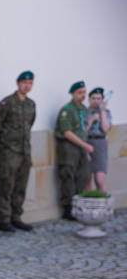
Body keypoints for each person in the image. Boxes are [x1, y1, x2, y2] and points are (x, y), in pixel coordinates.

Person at [0, 71, 36, 232]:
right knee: (7, 185)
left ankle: (16, 216)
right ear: (18, 84)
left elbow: (29, 125)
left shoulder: (31, 104)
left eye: (30, 83)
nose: (27, 85)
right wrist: (2, 147)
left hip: (25, 151)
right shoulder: (7, 103)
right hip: (9, 151)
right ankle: (4, 219)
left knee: (21, 186)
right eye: (24, 82)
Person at [55, 81, 92, 220]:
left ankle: (78, 204)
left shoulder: (83, 109)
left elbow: (83, 130)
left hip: (81, 146)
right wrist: (85, 146)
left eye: (84, 92)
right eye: (80, 92)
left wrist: (86, 149)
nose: (83, 95)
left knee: (82, 175)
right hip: (69, 146)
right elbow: (67, 132)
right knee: (68, 175)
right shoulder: (68, 109)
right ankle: (68, 208)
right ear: (73, 94)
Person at [85, 87, 111, 193]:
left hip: (100, 143)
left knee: (99, 179)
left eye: (99, 98)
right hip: (87, 142)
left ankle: (103, 205)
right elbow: (82, 131)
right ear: (89, 99)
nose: (96, 101)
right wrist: (91, 120)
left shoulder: (106, 112)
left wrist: (102, 111)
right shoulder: (85, 112)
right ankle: (89, 205)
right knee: (87, 179)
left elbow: (105, 129)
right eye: (93, 98)